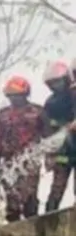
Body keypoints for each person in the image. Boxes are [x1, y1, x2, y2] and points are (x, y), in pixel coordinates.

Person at [0, 75, 48, 222]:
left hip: (30, 161)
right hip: (9, 162)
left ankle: (33, 227)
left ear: (25, 94)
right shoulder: (3, 114)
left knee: (29, 198)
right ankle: (13, 229)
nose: (14, 99)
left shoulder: (38, 111)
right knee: (12, 201)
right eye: (11, 96)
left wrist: (50, 158)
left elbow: (48, 136)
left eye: (17, 95)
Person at [44, 60, 76, 213]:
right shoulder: (50, 103)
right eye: (53, 83)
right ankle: (47, 220)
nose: (56, 86)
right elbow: (47, 131)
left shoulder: (74, 94)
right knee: (56, 189)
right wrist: (48, 155)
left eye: (59, 82)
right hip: (62, 153)